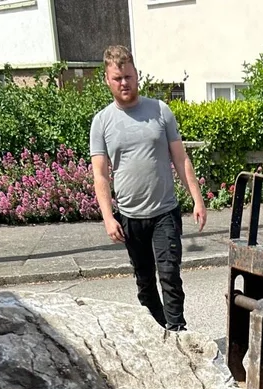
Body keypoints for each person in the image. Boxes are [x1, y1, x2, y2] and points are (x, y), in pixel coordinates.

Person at [90, 45, 207, 332]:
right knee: (145, 284)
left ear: (137, 75)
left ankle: (178, 331)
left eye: (128, 76)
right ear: (107, 80)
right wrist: (108, 216)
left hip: (164, 212)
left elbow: (180, 158)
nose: (124, 83)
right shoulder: (101, 122)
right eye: (117, 78)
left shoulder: (160, 111)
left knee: (169, 275)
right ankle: (159, 331)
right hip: (129, 217)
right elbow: (101, 175)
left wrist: (197, 198)